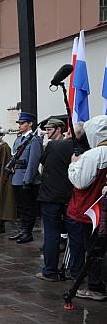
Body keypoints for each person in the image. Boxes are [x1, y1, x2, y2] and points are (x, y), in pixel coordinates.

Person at [67, 115, 107, 301]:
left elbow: (80, 182)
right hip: (99, 208)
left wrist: (74, 164)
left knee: (93, 249)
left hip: (90, 210)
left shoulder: (94, 154)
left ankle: (95, 286)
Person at [35, 118, 74, 282]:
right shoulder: (72, 145)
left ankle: (50, 271)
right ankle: (75, 271)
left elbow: (42, 160)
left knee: (51, 234)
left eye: (50, 129)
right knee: (74, 235)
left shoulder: (53, 146)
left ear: (59, 129)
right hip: (68, 195)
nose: (47, 131)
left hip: (51, 197)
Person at [9, 112, 43, 244]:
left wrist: (27, 180)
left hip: (26, 179)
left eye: (23, 123)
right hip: (17, 177)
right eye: (19, 123)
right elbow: (13, 156)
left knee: (28, 207)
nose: (20, 125)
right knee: (21, 207)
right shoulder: (18, 139)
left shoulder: (34, 140)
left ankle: (27, 232)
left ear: (30, 124)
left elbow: (33, 162)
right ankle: (22, 230)